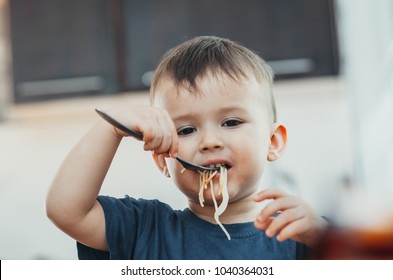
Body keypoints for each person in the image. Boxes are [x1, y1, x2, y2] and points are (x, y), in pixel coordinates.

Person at [46, 36, 328, 259]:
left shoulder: (302, 238)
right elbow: (67, 211)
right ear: (161, 160)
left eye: (230, 122)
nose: (209, 142)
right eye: (186, 130)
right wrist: (110, 127)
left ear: (273, 142)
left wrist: (328, 242)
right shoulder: (144, 230)